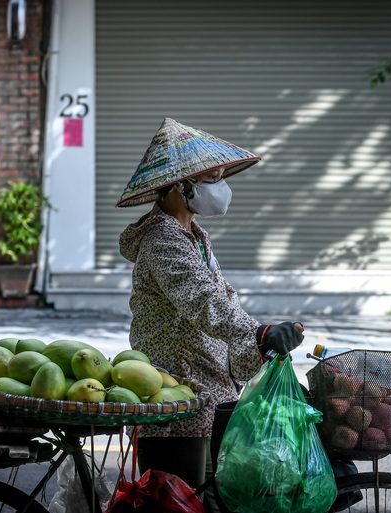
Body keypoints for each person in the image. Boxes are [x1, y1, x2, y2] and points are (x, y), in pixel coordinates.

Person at [115, 118, 305, 492]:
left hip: (208, 389)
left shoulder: (194, 235)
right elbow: (204, 303)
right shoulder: (163, 240)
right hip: (177, 397)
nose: (221, 187)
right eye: (211, 178)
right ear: (178, 187)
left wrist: (257, 336)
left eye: (220, 176)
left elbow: (222, 298)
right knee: (179, 501)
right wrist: (258, 333)